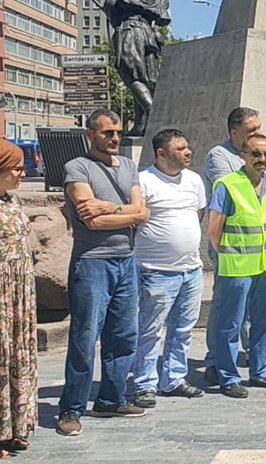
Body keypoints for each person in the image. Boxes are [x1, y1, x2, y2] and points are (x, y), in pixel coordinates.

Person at [58, 109, 151, 437]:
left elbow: (143, 213)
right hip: (92, 262)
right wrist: (126, 212)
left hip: (126, 261)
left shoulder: (128, 165)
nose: (114, 138)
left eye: (117, 133)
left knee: (124, 335)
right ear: (90, 135)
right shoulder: (77, 168)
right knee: (85, 338)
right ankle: (71, 408)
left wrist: (108, 207)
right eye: (107, 133)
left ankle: (111, 399)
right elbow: (91, 221)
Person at [202, 107, 266, 384]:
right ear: (242, 151)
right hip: (236, 262)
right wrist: (227, 253)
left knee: (264, 319)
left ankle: (260, 369)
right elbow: (215, 229)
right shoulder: (227, 179)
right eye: (255, 152)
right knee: (229, 319)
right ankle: (225, 372)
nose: (262, 158)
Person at [131, 129, 207, 410]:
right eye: (180, 149)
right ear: (161, 153)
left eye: (188, 147)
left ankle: (174, 378)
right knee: (150, 330)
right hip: (155, 271)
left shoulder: (195, 180)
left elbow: (198, 215)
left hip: (191, 270)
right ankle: (144, 384)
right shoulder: (144, 180)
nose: (188, 152)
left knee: (184, 328)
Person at [0, 140, 36, 455]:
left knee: (17, 357)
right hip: (1, 298)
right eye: (15, 168)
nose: (22, 173)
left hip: (19, 297)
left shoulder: (11, 200)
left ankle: (15, 426)